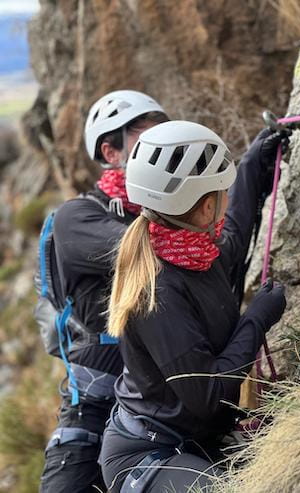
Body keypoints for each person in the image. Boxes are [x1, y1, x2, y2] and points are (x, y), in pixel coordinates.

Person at [100, 120, 288, 492]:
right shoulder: (156, 293)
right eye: (222, 191)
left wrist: (253, 164)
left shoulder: (195, 251)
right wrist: (257, 319)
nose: (228, 197)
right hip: (146, 456)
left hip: (193, 442)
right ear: (204, 208)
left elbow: (233, 234)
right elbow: (207, 394)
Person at [38, 90, 169, 493]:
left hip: (162, 406)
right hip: (93, 407)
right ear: (111, 152)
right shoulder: (78, 217)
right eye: (147, 139)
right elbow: (147, 254)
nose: (161, 147)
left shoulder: (176, 218)